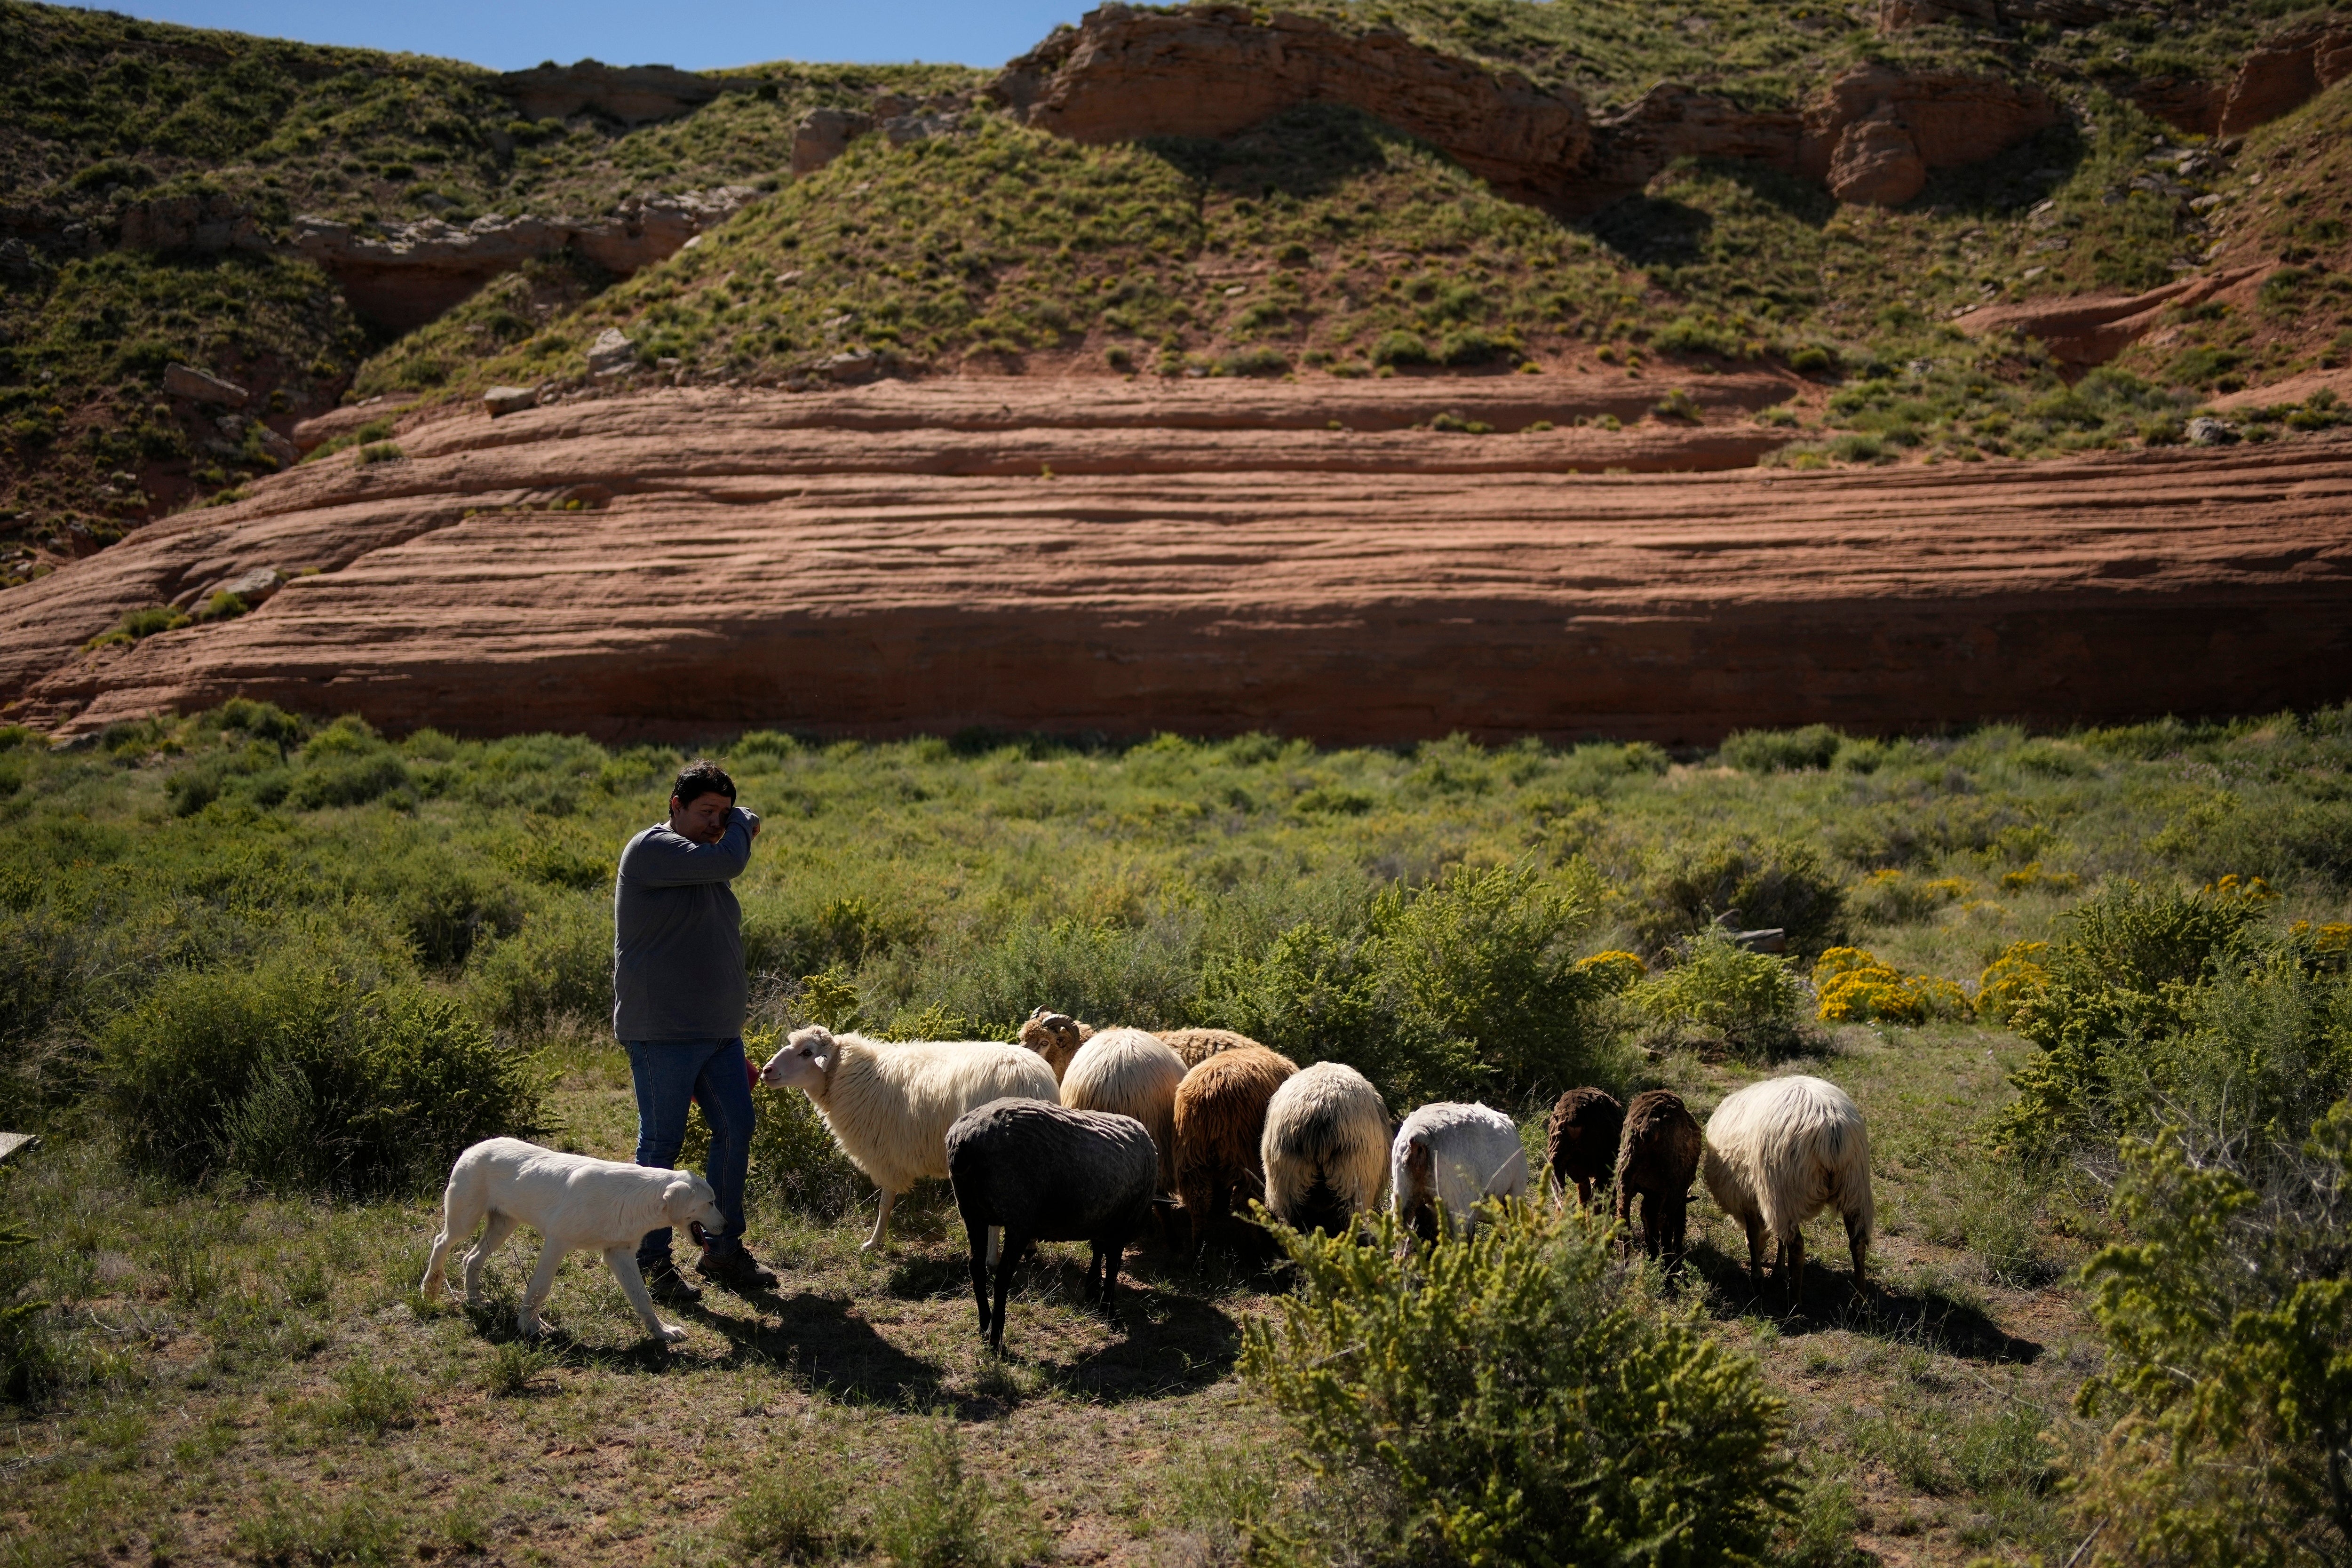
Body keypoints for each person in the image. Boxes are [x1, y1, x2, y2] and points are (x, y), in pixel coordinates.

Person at [613, 758, 778, 1300]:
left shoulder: (703, 860)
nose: (717, 823)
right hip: (663, 1031)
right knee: (661, 1145)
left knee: (736, 1130)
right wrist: (743, 822)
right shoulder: (653, 849)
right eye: (707, 812)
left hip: (718, 1032)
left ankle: (722, 1250)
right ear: (675, 806)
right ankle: (650, 1262)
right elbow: (732, 858)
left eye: (725, 813)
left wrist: (732, 826)